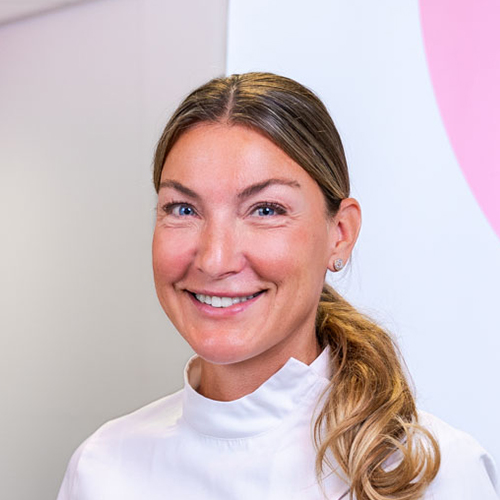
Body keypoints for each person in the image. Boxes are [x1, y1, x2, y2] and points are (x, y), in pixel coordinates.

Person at [57, 72, 499, 500]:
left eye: (265, 210)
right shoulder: (101, 469)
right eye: (183, 209)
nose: (215, 260)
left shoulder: (431, 475)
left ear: (340, 233)